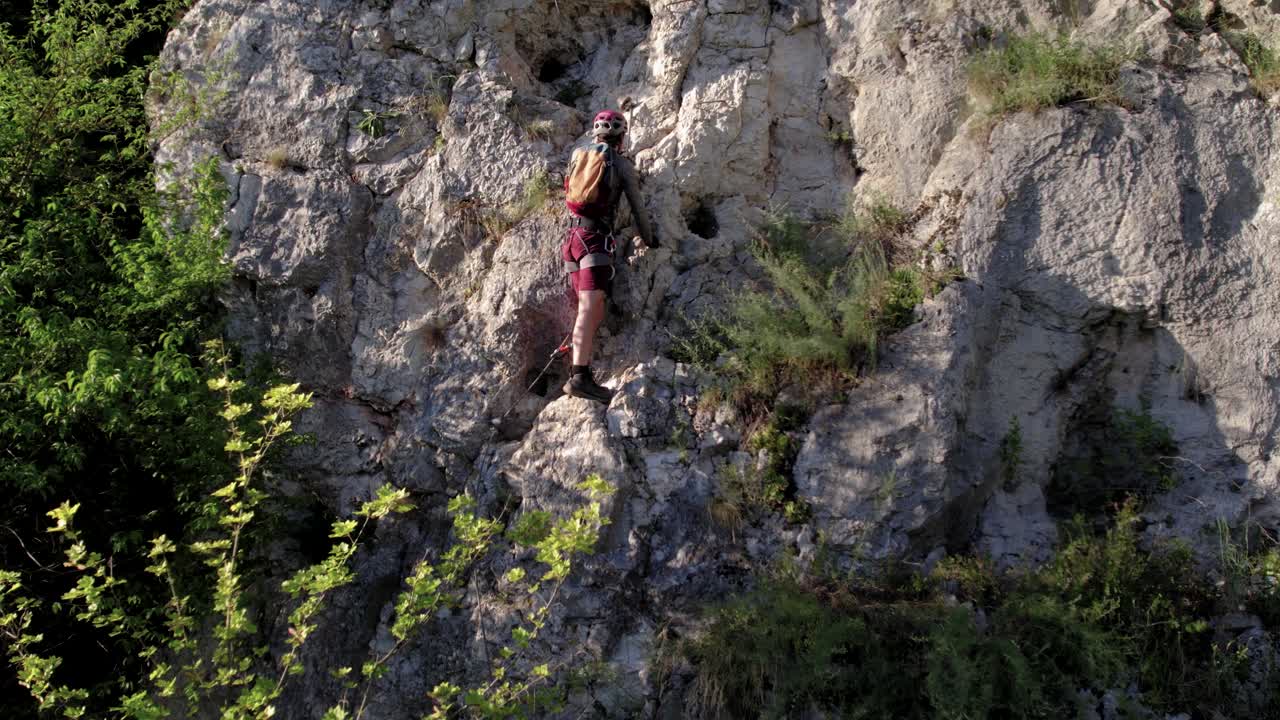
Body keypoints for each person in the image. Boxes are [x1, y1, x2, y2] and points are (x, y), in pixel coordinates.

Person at [560, 109, 656, 403]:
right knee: (589, 308)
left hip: (573, 240)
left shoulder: (578, 154)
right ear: (621, 137)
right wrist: (651, 240)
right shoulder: (620, 164)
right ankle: (579, 377)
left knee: (591, 307)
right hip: (595, 242)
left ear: (596, 133)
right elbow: (638, 208)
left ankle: (581, 369)